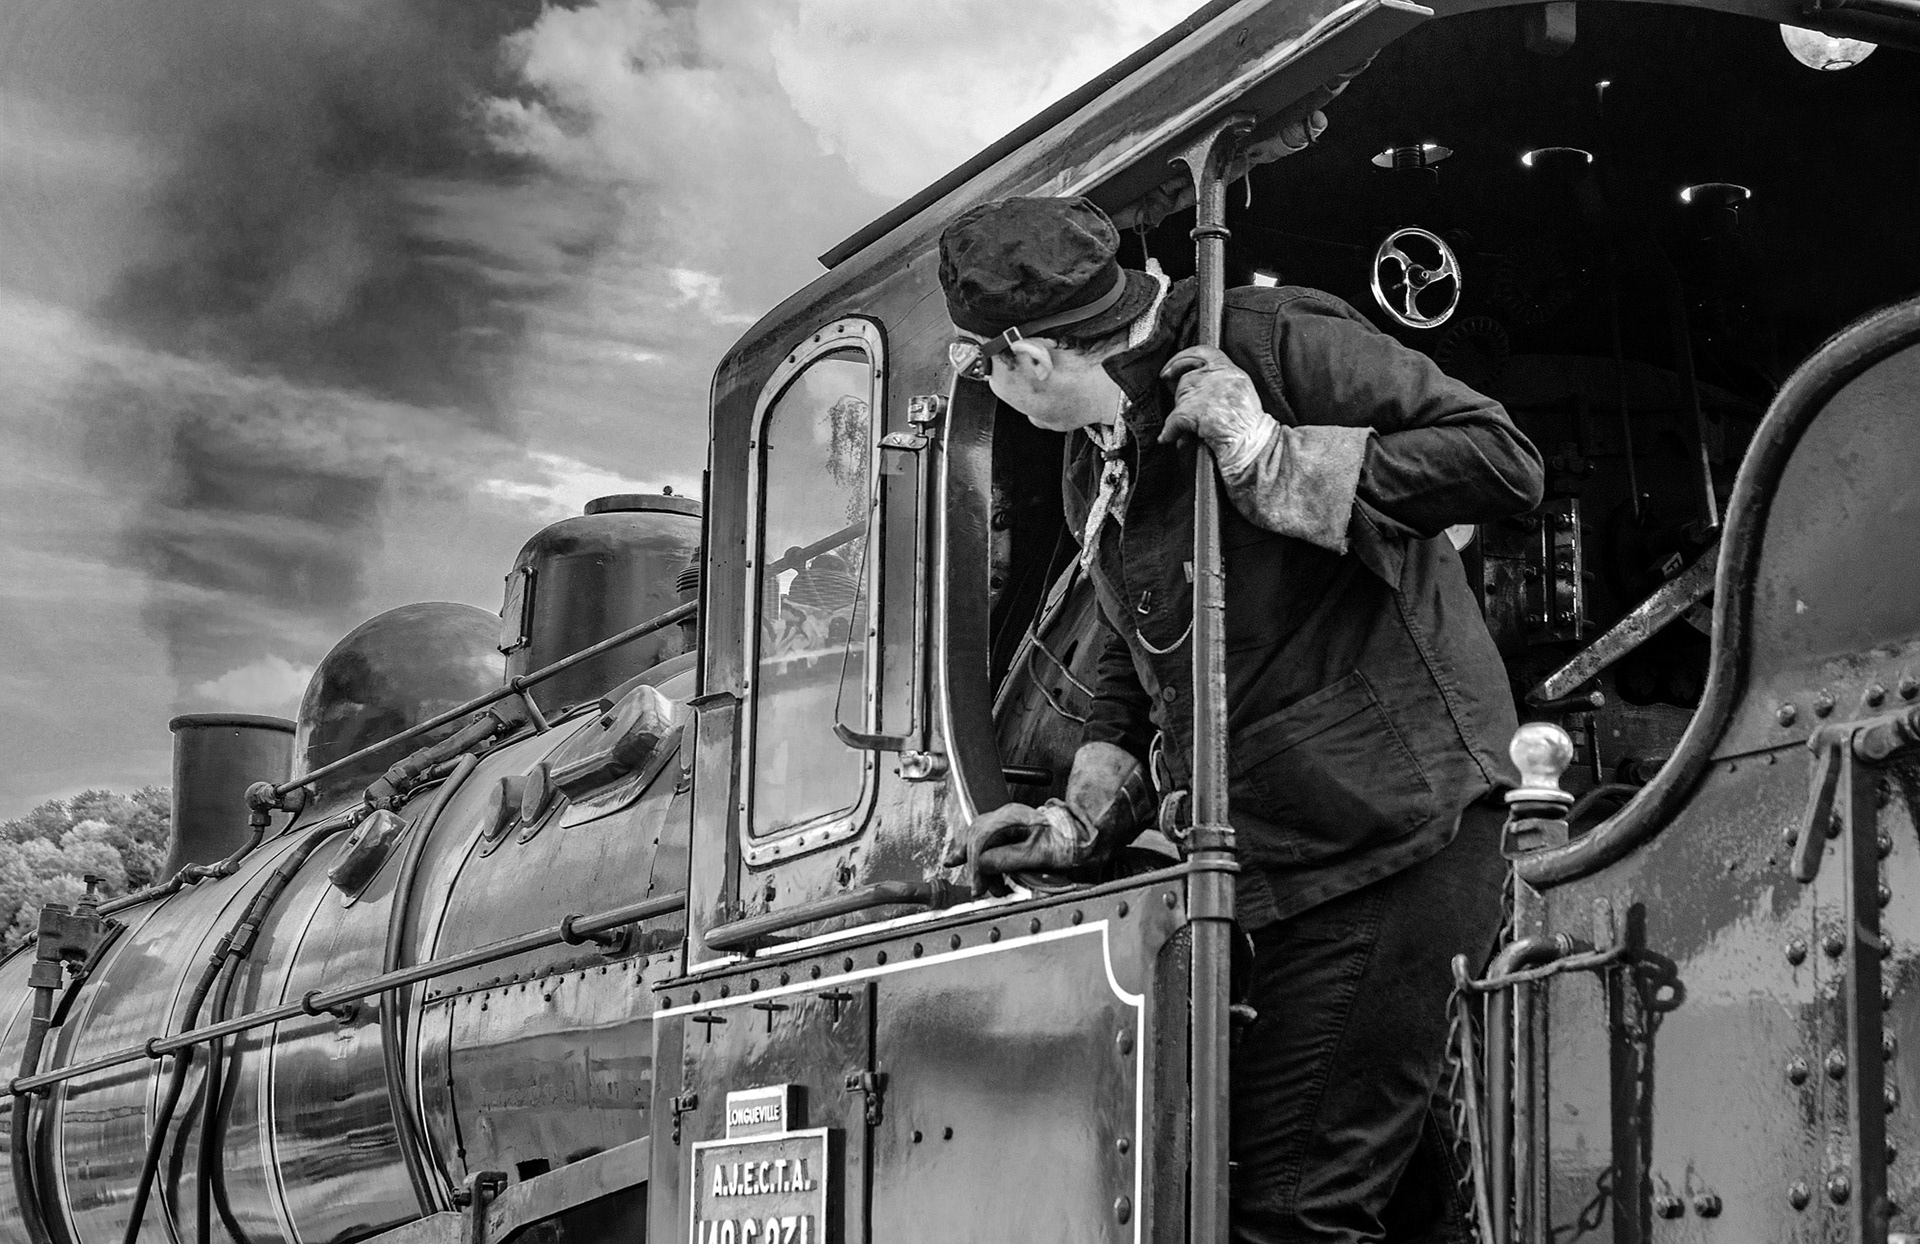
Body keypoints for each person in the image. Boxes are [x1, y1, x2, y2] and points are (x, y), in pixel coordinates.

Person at [936, 195, 1545, 1242]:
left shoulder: (1268, 338)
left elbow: (1501, 458)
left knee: (1291, 1210)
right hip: (1294, 852)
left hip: (1396, 830)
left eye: (977, 364)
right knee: (1391, 1205)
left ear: (1027, 354)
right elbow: (1145, 648)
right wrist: (1086, 818)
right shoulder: (1100, 448)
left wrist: (1273, 454)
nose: (981, 382)